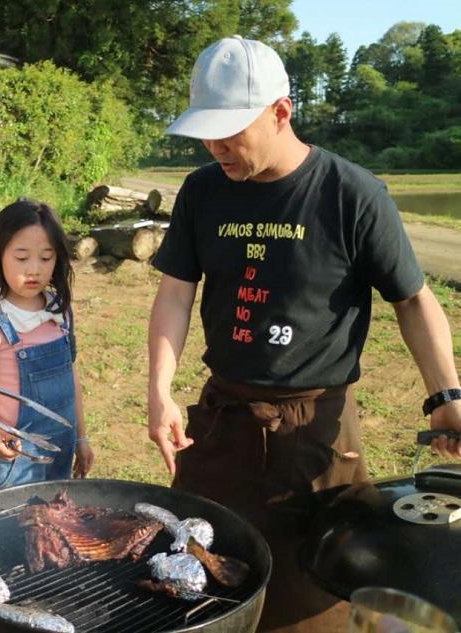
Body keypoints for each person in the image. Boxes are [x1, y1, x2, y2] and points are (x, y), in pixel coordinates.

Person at [146, 35, 461, 632]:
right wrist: (160, 390)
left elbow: (413, 299)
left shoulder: (350, 194)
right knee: (198, 584)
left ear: (281, 112)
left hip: (315, 428)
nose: (216, 148)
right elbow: (176, 292)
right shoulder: (203, 190)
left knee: (311, 598)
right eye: (205, 133)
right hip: (222, 422)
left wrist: (447, 396)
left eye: (230, 132)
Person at [0, 199, 94, 493]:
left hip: (62, 449)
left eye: (46, 258)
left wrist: (81, 439)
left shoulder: (61, 312)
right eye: (21, 258)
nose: (34, 270)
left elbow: (71, 378)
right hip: (15, 456)